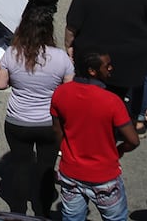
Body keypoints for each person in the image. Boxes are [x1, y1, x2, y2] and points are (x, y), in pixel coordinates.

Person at [0, 5, 73, 218]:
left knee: (21, 166)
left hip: (18, 121)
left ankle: (18, 211)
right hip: (50, 123)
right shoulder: (61, 58)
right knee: (47, 167)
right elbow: (69, 91)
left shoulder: (12, 54)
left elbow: (1, 85)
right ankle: (42, 210)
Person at [52, 49, 139, 221]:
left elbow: (57, 130)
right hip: (104, 177)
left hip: (71, 174)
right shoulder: (112, 101)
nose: (111, 69)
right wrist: (120, 149)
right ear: (92, 71)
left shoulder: (61, 93)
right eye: (107, 66)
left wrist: (66, 150)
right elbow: (133, 140)